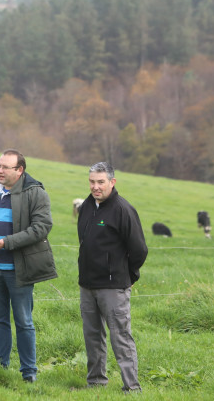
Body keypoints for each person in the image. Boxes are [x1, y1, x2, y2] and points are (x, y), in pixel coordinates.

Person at [0, 150, 56, 382]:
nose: (0, 171)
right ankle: (0, 368)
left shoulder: (35, 193)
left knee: (24, 322)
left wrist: (7, 243)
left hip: (19, 270)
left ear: (20, 170)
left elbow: (42, 227)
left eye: (5, 167)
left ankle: (29, 373)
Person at [77, 162, 148, 393]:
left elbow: (139, 250)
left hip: (113, 286)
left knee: (120, 336)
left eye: (100, 182)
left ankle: (132, 387)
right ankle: (96, 382)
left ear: (112, 182)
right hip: (87, 285)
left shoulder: (122, 209)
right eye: (92, 182)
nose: (95, 187)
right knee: (92, 336)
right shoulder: (86, 207)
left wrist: (129, 275)